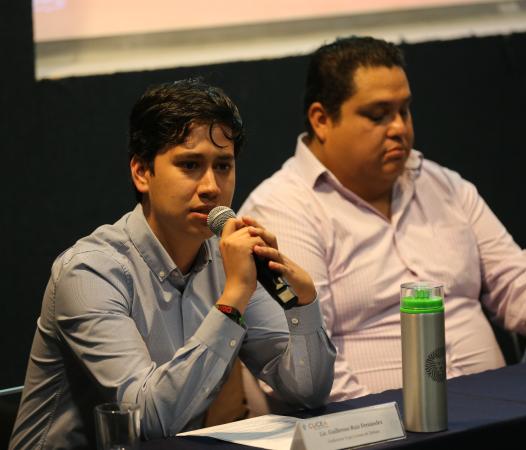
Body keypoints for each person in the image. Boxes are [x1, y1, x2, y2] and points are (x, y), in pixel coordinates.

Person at [9, 79, 336, 449]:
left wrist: (302, 305)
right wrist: (233, 300)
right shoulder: (89, 273)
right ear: (141, 173)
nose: (211, 186)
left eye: (223, 166)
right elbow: (149, 420)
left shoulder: (227, 262)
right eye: (190, 165)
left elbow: (307, 393)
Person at [239, 36, 526, 402]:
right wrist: (382, 425)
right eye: (378, 115)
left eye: (405, 110)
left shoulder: (444, 186)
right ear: (321, 120)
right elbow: (304, 362)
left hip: (504, 409)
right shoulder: (281, 210)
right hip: (383, 421)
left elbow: (517, 282)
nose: (400, 128)